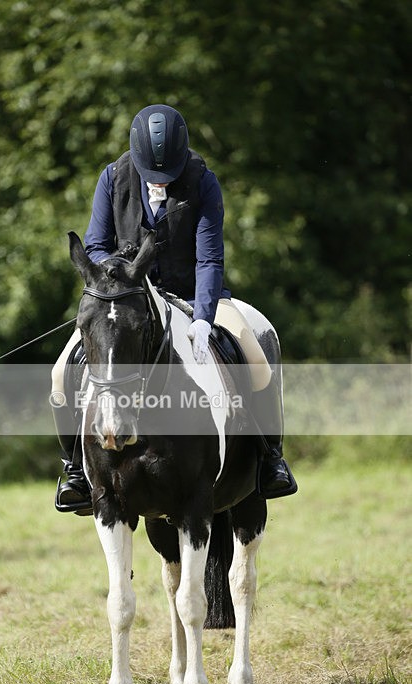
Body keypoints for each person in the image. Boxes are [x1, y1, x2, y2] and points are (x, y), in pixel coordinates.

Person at [52, 103, 297, 513]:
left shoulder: (202, 181)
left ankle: (271, 458)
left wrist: (202, 318)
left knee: (256, 362)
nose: (161, 183)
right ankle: (75, 470)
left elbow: (209, 259)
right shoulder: (113, 178)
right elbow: (94, 245)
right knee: (61, 374)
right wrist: (128, 269)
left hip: (196, 293)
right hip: (129, 297)